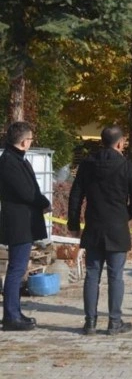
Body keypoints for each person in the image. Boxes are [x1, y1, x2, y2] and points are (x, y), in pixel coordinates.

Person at [68, 126, 132, 335]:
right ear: (120, 143)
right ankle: (114, 322)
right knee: (115, 276)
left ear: (102, 141)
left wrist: (73, 224)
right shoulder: (126, 166)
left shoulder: (87, 164)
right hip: (117, 227)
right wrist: (125, 215)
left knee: (92, 274)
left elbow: (75, 195)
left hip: (93, 226)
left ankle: (90, 322)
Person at [0, 121, 50, 331]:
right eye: (30, 139)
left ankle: (15, 311)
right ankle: (11, 316)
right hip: (18, 223)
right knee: (16, 269)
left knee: (19, 268)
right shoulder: (10, 162)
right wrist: (43, 202)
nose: (31, 142)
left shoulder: (16, 159)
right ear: (23, 141)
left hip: (24, 221)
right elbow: (26, 192)